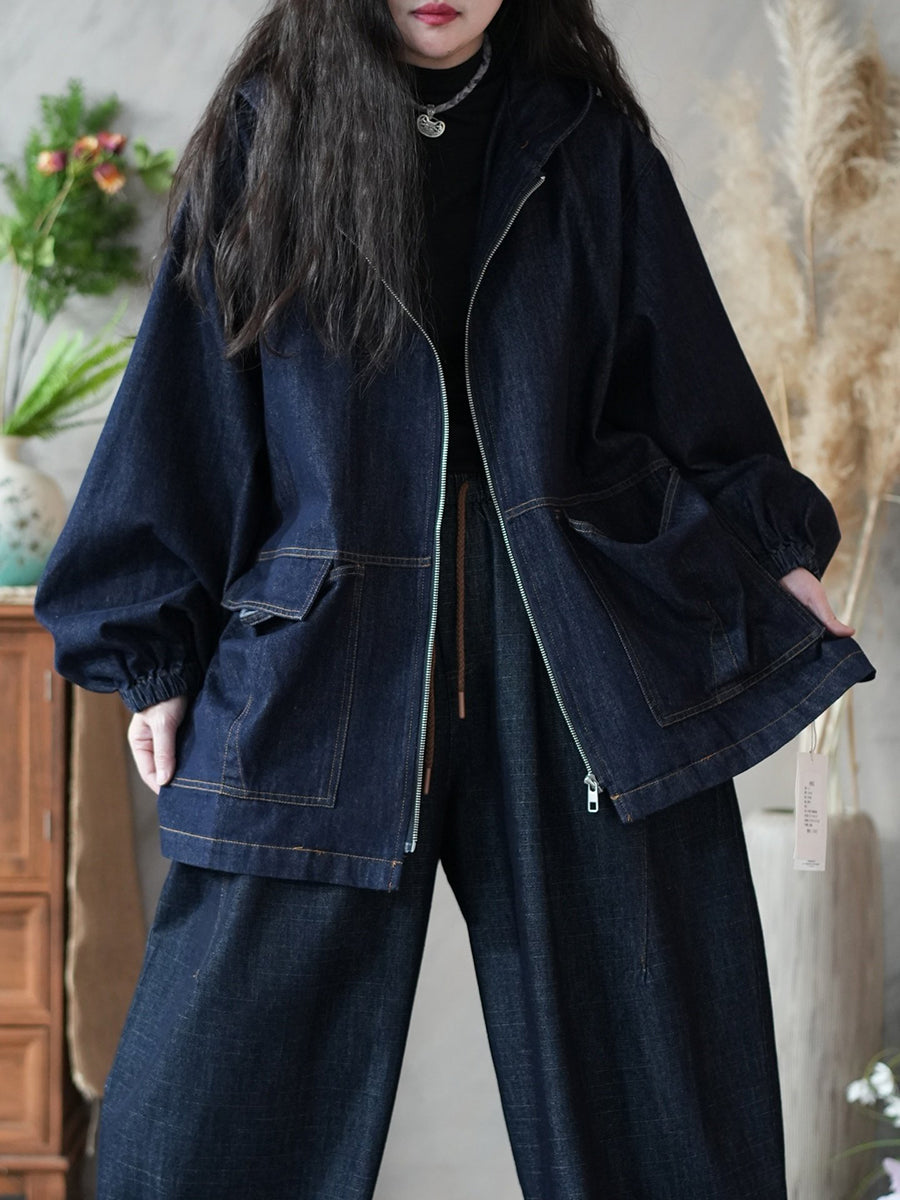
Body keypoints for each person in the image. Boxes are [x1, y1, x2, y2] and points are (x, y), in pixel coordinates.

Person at [33, 1, 875, 1197]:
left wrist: (770, 549)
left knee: (662, 1113)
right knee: (202, 1118)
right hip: (322, 657)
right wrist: (154, 653)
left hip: (578, 651)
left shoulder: (586, 141)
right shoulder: (267, 139)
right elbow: (187, 406)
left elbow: (683, 380)